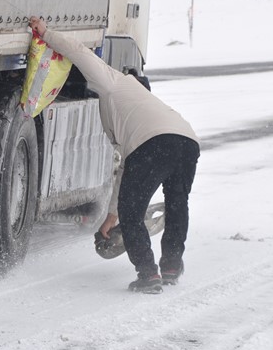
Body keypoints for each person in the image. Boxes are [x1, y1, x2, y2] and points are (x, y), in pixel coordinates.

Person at [29, 16, 200, 294]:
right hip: (187, 142)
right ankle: (170, 265)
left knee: (132, 213)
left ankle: (148, 274)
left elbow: (79, 52)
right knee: (177, 204)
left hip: (153, 144)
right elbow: (125, 167)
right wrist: (111, 215)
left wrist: (46, 33)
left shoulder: (115, 83)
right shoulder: (146, 105)